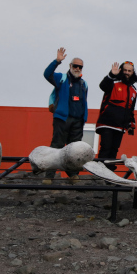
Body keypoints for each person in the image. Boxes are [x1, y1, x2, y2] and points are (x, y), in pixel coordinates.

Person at [43, 47, 88, 180]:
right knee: (56, 146)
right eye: (75, 66)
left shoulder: (84, 84)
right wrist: (57, 61)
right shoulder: (61, 78)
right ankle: (49, 176)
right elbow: (47, 74)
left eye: (80, 67)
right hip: (62, 119)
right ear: (70, 66)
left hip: (77, 121)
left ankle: (73, 175)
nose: (77, 68)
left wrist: (83, 118)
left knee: (75, 150)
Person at [95, 61, 137, 168]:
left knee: (114, 150)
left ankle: (109, 173)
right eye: (125, 70)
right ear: (121, 70)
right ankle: (99, 172)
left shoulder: (133, 90)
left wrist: (131, 125)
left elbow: (131, 109)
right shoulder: (113, 82)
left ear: (133, 72)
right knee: (106, 148)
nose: (127, 72)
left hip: (120, 125)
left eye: (129, 71)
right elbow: (102, 86)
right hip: (107, 122)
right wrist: (111, 75)